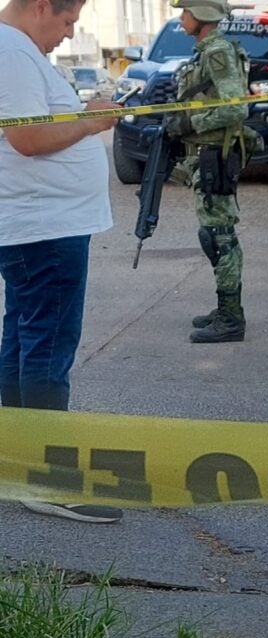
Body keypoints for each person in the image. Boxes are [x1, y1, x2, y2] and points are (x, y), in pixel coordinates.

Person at [0, 0, 123, 523]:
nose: (69, 35)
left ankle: (16, 464)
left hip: (40, 225)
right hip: (44, 228)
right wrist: (92, 121)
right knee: (46, 346)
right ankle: (45, 479)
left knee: (25, 340)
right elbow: (28, 138)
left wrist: (80, 113)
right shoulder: (11, 52)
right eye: (68, 21)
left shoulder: (16, 50)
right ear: (43, 7)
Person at [164, 0, 251, 343]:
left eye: (185, 10)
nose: (180, 16)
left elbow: (235, 109)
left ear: (202, 15)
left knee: (219, 237)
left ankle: (231, 318)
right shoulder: (207, 51)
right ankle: (228, 309)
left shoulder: (217, 52)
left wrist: (191, 121)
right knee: (217, 233)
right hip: (207, 153)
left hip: (216, 154)